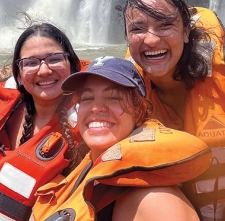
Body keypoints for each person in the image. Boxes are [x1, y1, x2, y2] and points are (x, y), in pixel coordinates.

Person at [122, 0, 225, 221]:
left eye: (165, 25)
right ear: (128, 38)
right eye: (137, 29)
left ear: (185, 32)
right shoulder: (122, 91)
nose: (151, 40)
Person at [31, 56, 213, 221]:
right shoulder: (84, 169)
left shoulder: (155, 202)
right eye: (87, 98)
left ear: (139, 111)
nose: (96, 108)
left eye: (113, 97)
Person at [0, 23, 90, 220]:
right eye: (31, 63)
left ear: (72, 65)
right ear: (18, 75)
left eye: (55, 59)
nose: (44, 70)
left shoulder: (91, 130)